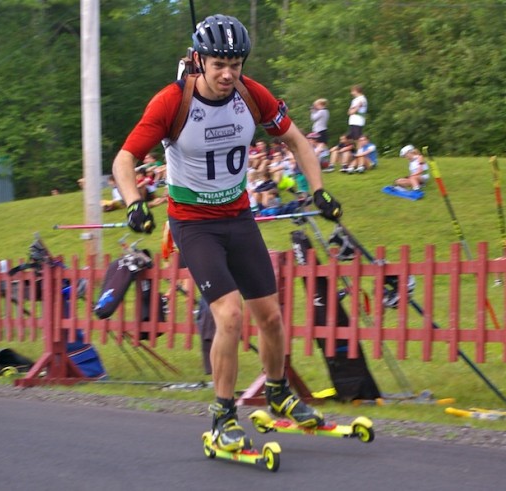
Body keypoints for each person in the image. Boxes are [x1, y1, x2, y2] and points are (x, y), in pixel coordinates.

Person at [111, 14, 343, 453]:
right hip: (194, 225)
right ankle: (221, 416)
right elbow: (124, 160)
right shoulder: (171, 102)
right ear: (197, 60)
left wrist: (319, 191)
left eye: (235, 64)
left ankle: (277, 392)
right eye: (218, 63)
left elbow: (297, 141)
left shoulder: (250, 95)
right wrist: (133, 202)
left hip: (238, 219)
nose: (227, 74)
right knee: (231, 315)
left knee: (271, 316)